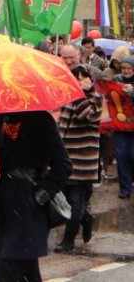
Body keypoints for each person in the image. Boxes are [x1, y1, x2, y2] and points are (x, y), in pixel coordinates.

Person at [0, 111, 71, 282]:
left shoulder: (41, 119)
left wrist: (41, 194)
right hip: (5, 208)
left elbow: (63, 165)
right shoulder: (1, 117)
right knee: (27, 273)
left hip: (29, 209)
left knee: (7, 271)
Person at [55, 65, 101, 252]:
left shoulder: (95, 98)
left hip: (83, 161)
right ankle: (86, 219)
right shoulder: (67, 97)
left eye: (83, 77)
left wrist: (82, 92)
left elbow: (86, 115)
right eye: (76, 77)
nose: (80, 80)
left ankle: (68, 240)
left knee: (76, 201)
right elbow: (61, 125)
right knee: (64, 200)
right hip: (65, 159)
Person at [112, 55, 134, 198]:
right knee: (121, 155)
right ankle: (125, 187)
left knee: (132, 154)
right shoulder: (116, 80)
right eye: (124, 68)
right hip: (120, 124)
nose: (126, 71)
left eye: (129, 68)